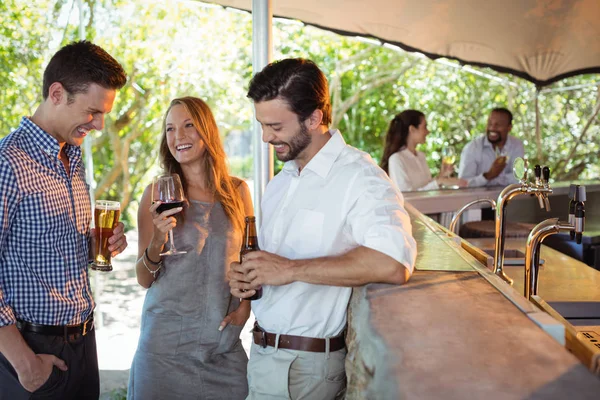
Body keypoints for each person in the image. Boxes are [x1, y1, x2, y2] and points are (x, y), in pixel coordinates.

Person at [228, 58, 418, 400]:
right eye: (261, 124)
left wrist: (289, 270)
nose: (265, 137)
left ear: (314, 118)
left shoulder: (360, 177)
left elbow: (393, 262)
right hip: (263, 357)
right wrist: (247, 277)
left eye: (275, 126)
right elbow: (273, 268)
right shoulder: (281, 180)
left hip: (305, 370)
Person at [0, 41, 128, 399]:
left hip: (82, 344)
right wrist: (25, 364)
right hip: (31, 349)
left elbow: (50, 246)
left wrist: (96, 245)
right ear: (57, 94)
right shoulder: (8, 163)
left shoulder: (71, 158)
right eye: (93, 111)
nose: (100, 125)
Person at [128, 97, 253, 400]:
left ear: (206, 131)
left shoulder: (237, 192)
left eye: (188, 126)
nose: (178, 137)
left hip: (223, 346)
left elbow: (250, 258)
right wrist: (158, 239)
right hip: (163, 351)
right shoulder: (156, 194)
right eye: (170, 129)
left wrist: (245, 309)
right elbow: (144, 278)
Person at [380, 110, 467, 191]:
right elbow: (405, 196)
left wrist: (441, 175)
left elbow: (425, 187)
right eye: (425, 127)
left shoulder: (420, 156)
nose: (428, 132)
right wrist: (439, 182)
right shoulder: (397, 159)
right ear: (412, 129)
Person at [458, 108, 525, 187]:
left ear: (509, 127)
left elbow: (520, 178)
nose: (492, 128)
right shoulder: (472, 147)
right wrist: (488, 176)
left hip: (509, 198)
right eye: (489, 124)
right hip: (478, 199)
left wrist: (494, 176)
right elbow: (463, 184)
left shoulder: (516, 145)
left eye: (498, 125)